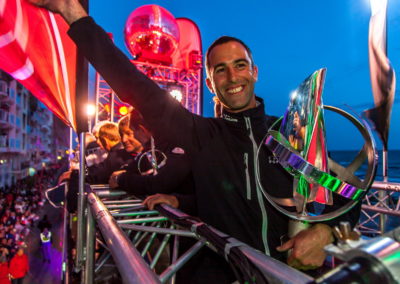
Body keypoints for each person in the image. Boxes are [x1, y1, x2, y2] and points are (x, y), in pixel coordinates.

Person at [29, 1, 360, 281]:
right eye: (220, 70)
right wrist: (73, 14)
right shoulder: (200, 134)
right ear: (209, 82)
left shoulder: (291, 134)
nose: (232, 77)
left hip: (293, 274)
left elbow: (349, 192)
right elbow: (134, 86)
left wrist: (326, 232)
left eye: (240, 65)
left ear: (255, 72)